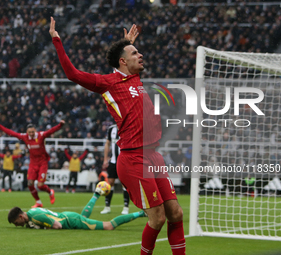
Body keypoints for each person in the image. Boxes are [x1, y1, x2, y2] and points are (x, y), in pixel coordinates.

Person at [50, 18, 185, 255]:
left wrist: (127, 43)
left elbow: (125, 59)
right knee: (158, 218)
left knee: (176, 213)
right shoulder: (108, 83)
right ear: (123, 61)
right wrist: (57, 40)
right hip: (134, 159)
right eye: (135, 53)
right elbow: (72, 73)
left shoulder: (135, 79)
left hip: (154, 156)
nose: (140, 55)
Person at [0, 120, 64, 208]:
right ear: (27, 132)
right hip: (33, 163)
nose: (31, 133)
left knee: (40, 186)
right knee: (30, 184)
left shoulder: (41, 135)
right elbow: (11, 133)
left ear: (35, 130)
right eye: (29, 132)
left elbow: (51, 131)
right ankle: (38, 202)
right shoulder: (25, 137)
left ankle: (50, 192)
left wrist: (60, 125)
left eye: (32, 132)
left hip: (43, 163)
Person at [8, 189, 146, 230]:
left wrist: (44, 228)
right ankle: (96, 194)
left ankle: (141, 213)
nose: (17, 225)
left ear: (20, 217)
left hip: (70, 220)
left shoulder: (35, 217)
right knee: (83, 218)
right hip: (69, 216)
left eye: (16, 223)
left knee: (108, 226)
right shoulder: (32, 213)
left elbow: (58, 226)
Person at [101, 124, 130, 215]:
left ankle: (126, 207)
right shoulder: (111, 129)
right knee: (110, 183)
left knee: (125, 184)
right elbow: (107, 144)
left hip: (125, 162)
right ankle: (107, 207)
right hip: (113, 161)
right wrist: (105, 159)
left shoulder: (127, 128)